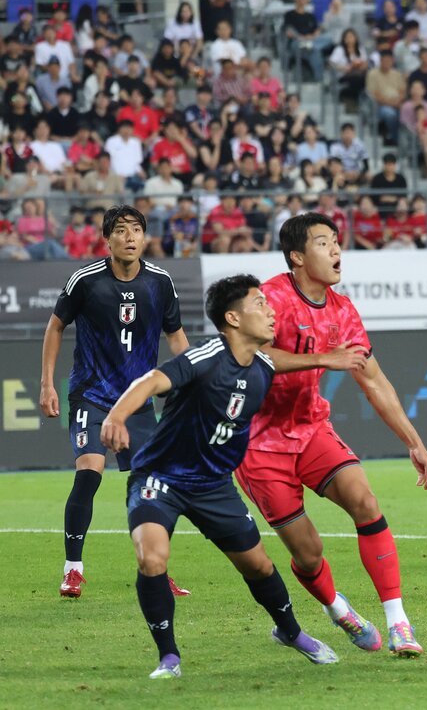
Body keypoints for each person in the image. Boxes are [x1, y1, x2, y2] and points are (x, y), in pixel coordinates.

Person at [100, 274, 337, 678]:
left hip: (214, 486)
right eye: (259, 304)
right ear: (232, 318)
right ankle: (169, 657)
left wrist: (325, 359)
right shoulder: (206, 357)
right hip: (162, 478)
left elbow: (275, 362)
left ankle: (292, 632)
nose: (271, 309)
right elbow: (153, 380)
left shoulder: (261, 367)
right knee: (152, 558)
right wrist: (117, 416)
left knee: (259, 567)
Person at [235, 214, 427, 657]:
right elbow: (252, 353)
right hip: (258, 444)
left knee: (365, 500)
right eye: (323, 243)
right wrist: (324, 359)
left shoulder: (343, 310)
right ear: (297, 256)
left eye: (336, 242)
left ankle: (399, 622)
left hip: (311, 431)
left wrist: (413, 441)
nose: (336, 251)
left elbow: (374, 379)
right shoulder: (267, 298)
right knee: (308, 554)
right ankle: (336, 608)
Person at [39, 205, 191, 599]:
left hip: (137, 402)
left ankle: (157, 570)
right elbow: (55, 326)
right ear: (107, 239)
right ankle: (73, 569)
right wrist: (47, 384)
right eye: (121, 231)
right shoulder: (86, 280)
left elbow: (175, 336)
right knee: (90, 472)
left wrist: (189, 382)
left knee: (152, 485)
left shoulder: (160, 282)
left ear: (144, 238)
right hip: (91, 395)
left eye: (136, 230)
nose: (129, 237)